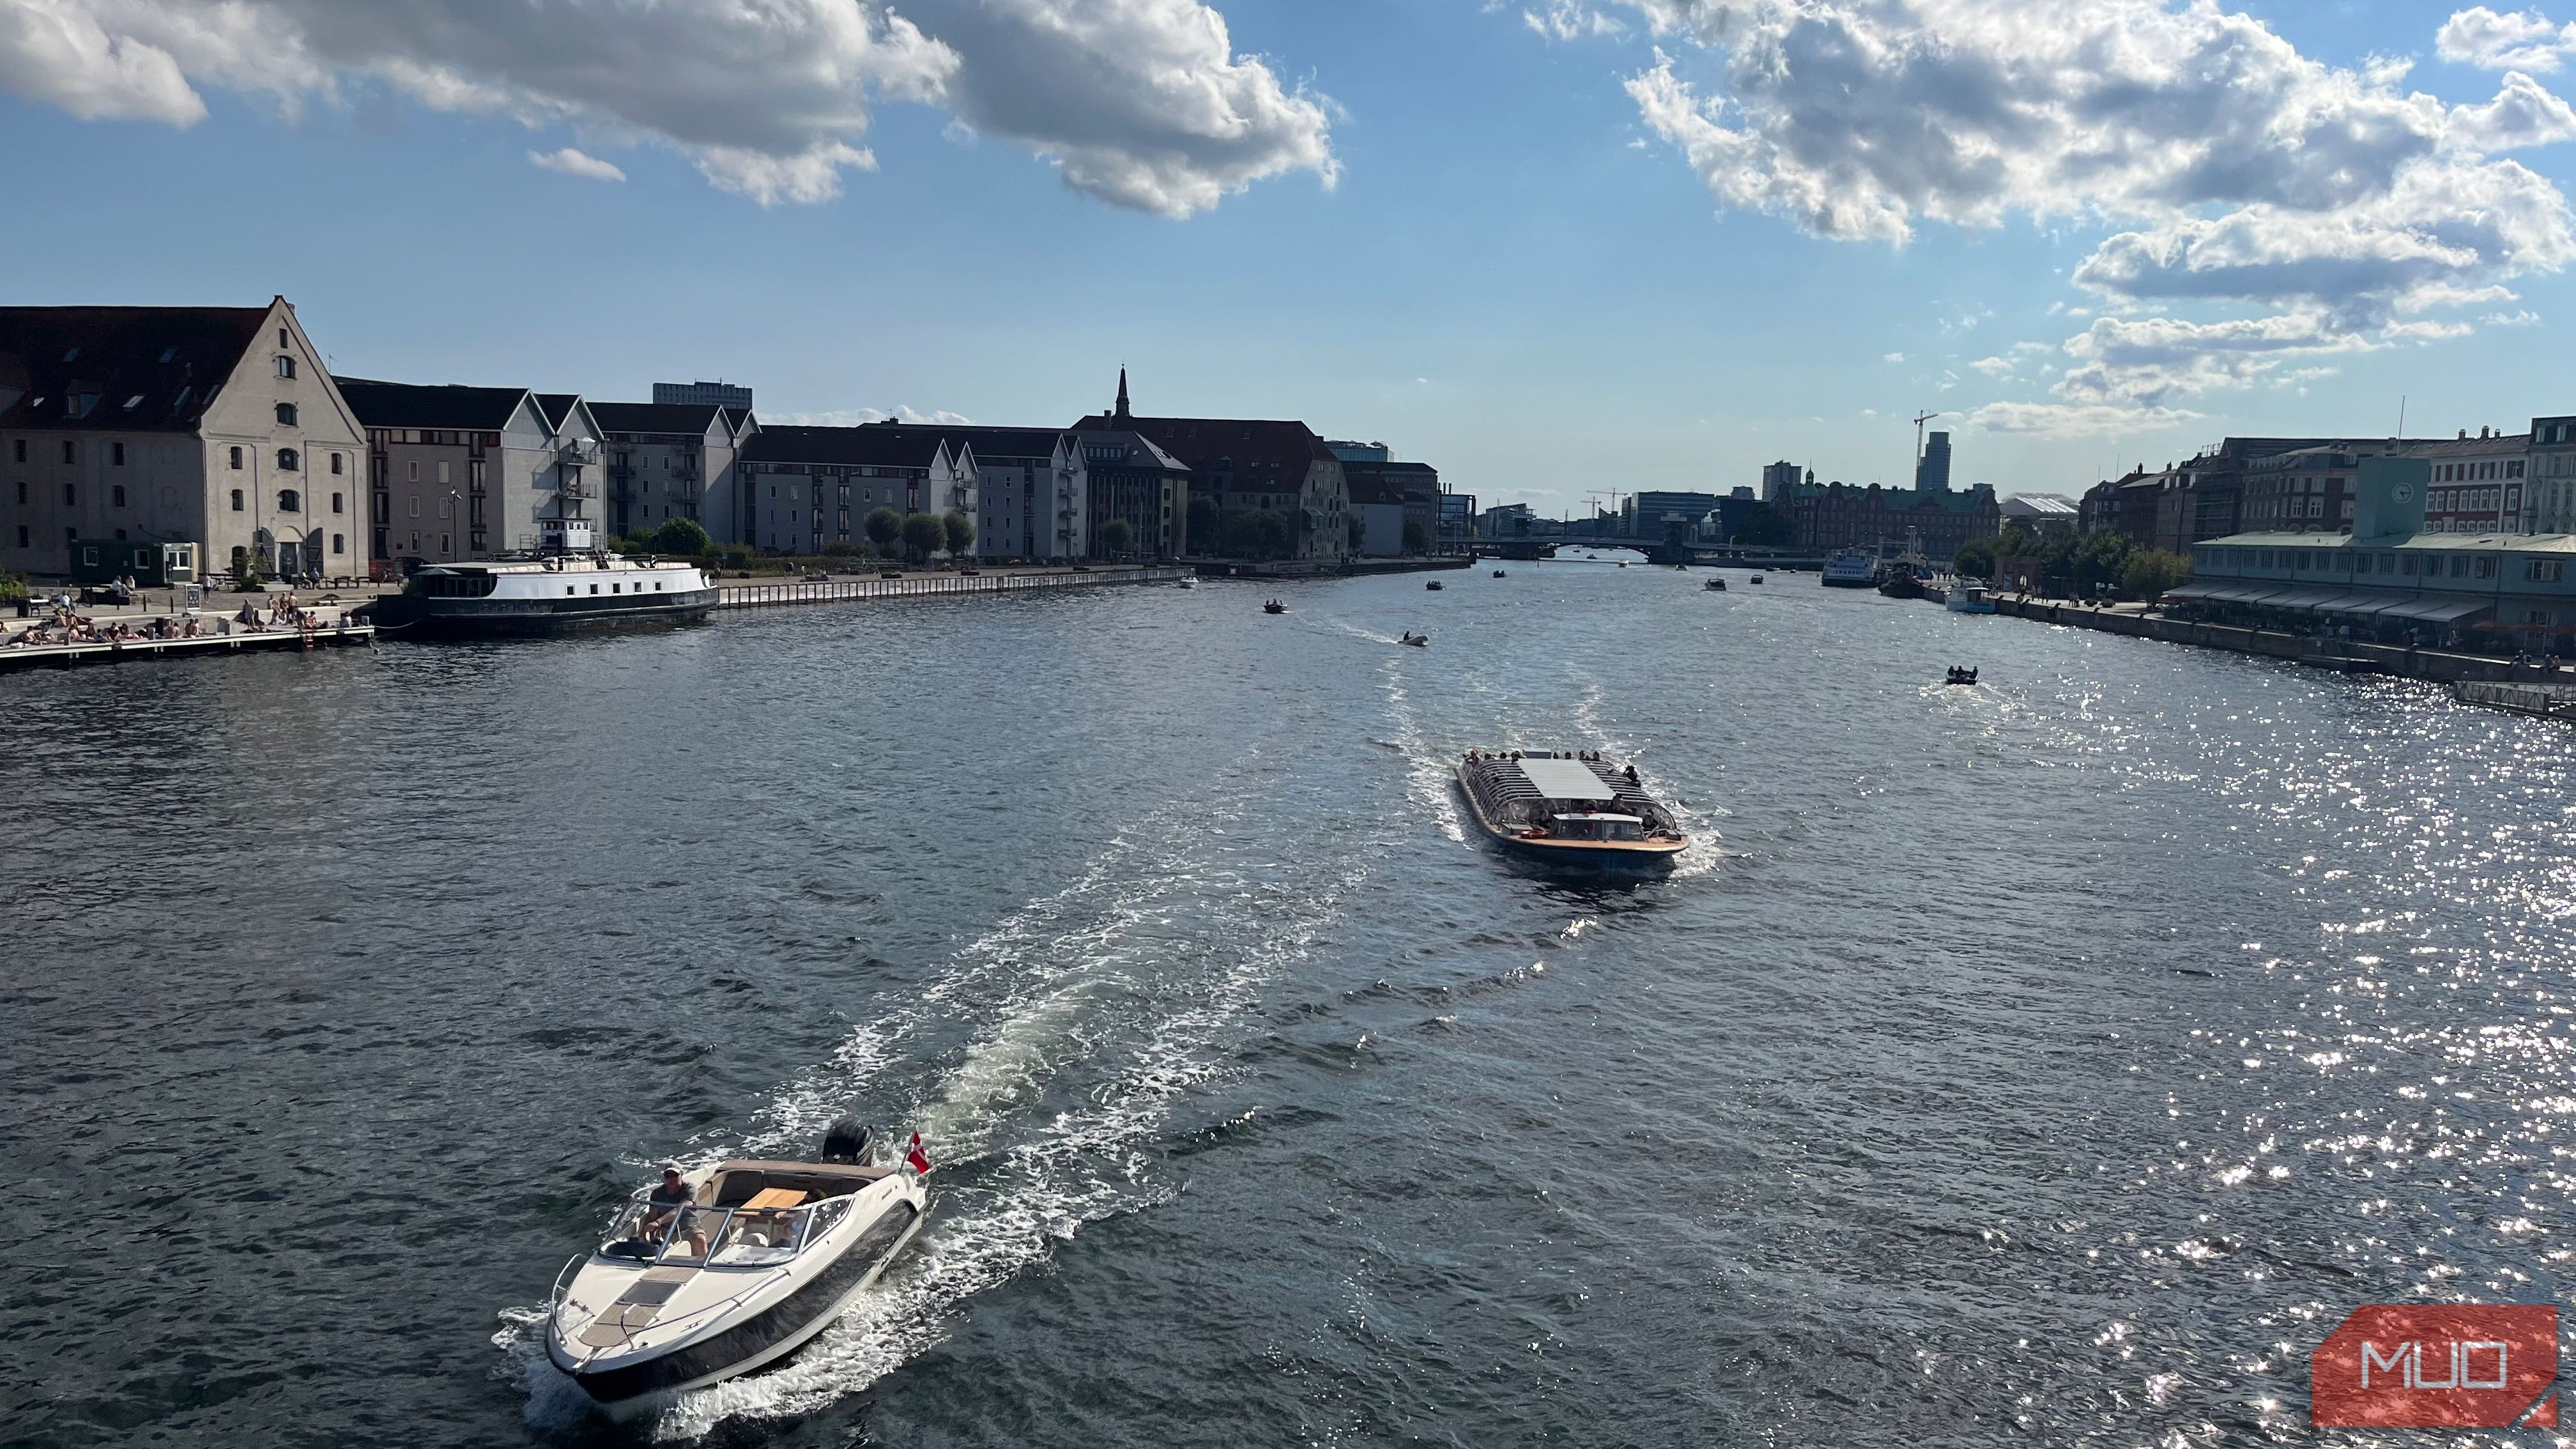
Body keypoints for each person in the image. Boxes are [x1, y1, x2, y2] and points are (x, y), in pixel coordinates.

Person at [641, 1163, 707, 1257]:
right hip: (667, 1232)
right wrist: (643, 1234)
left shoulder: (690, 1189)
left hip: (690, 1229)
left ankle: (700, 1263)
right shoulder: (657, 1193)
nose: (671, 1179)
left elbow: (681, 1208)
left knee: (700, 1239)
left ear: (682, 1174)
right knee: (654, 1245)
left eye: (674, 1175)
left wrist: (659, 1221)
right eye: (668, 1176)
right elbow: (652, 1215)